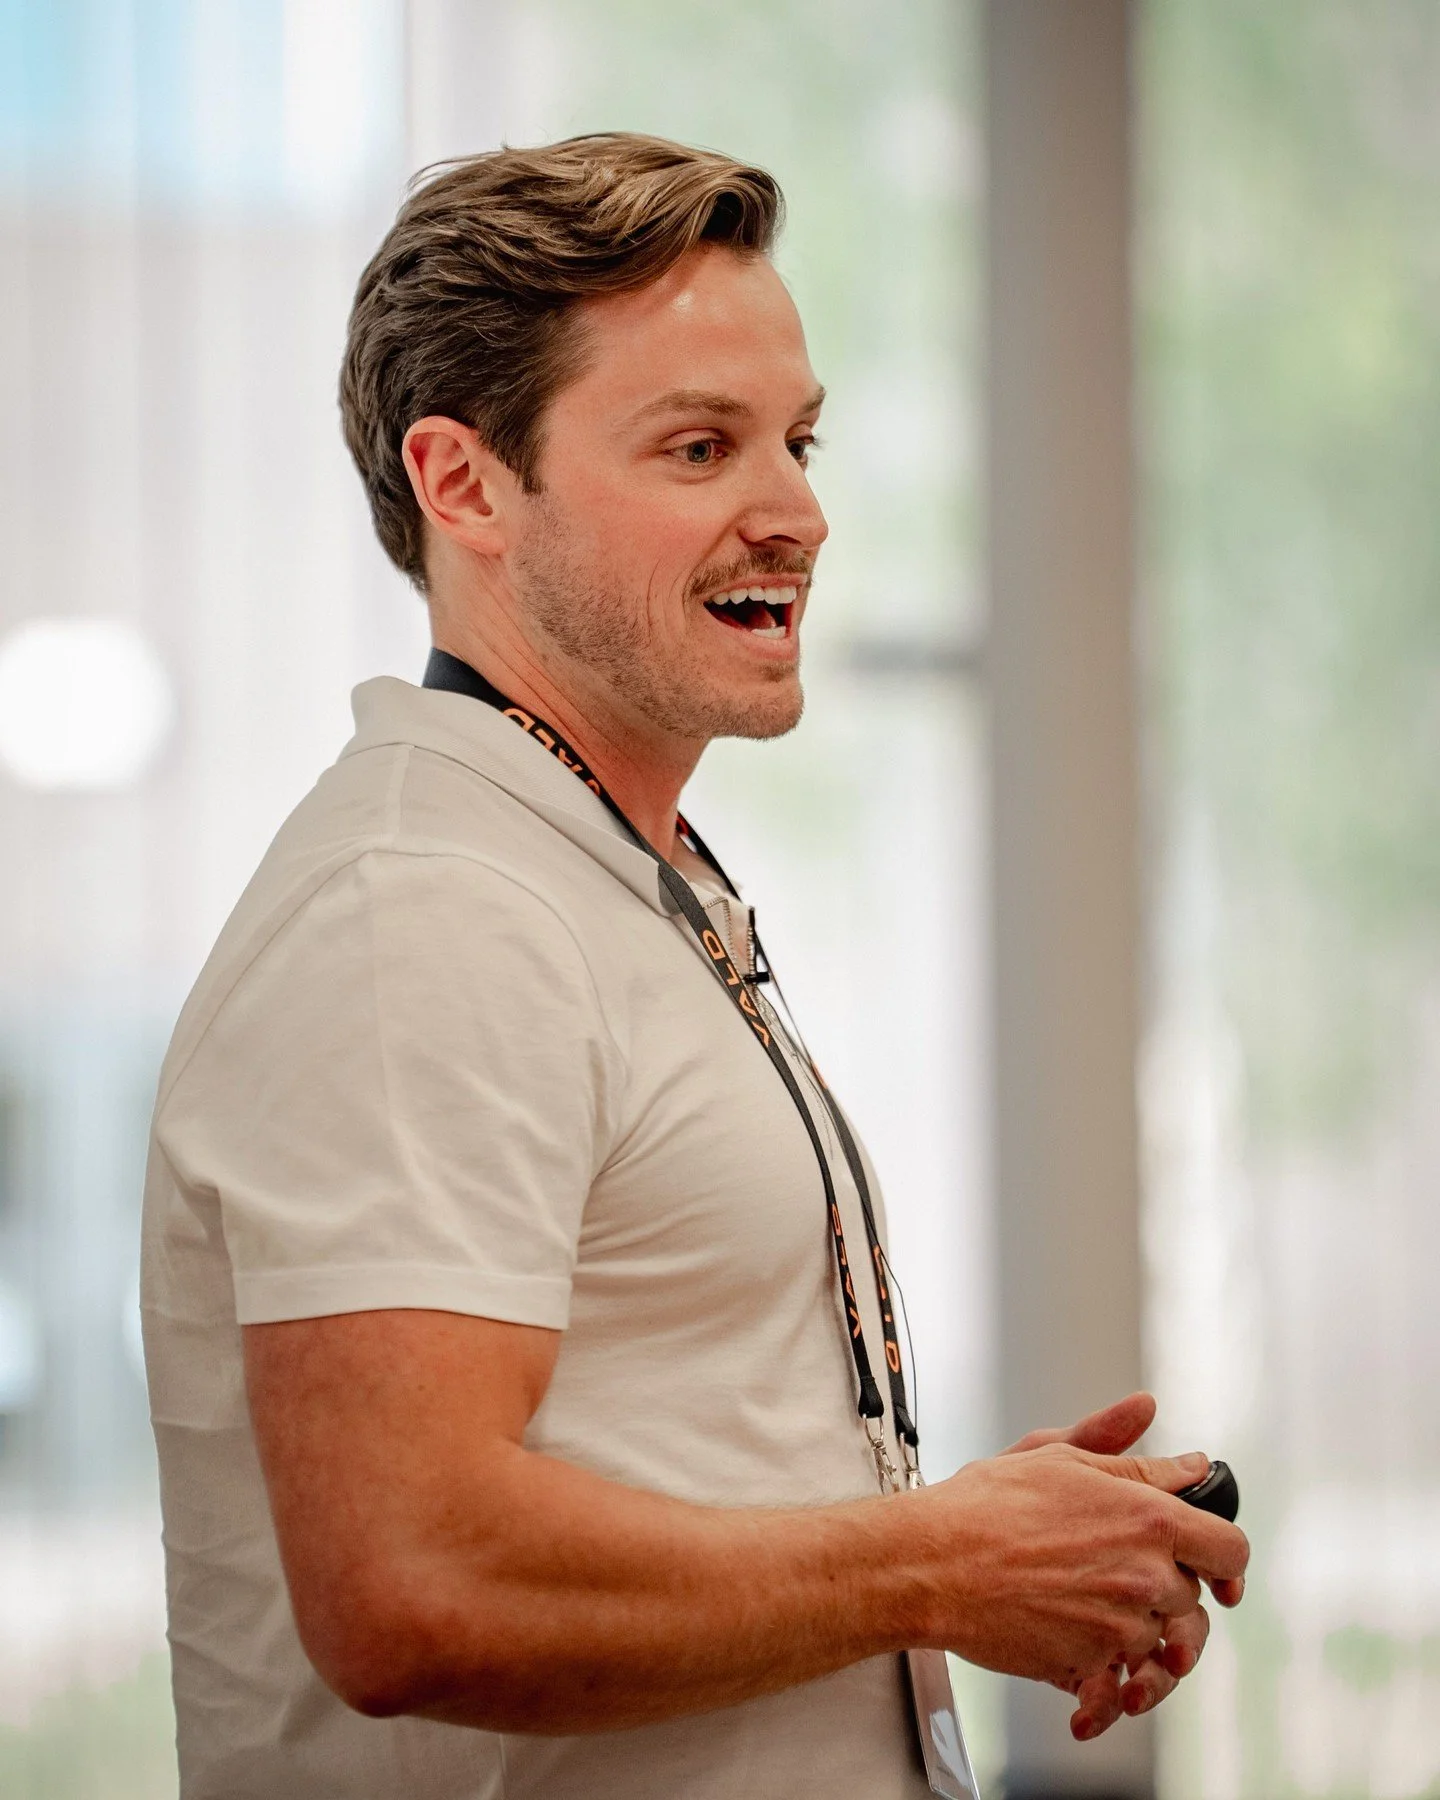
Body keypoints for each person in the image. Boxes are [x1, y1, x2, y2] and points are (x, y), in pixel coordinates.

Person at [140, 133, 1247, 1800]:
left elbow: (631, 1464)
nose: (796, 512)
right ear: (465, 487)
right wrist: (932, 1564)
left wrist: (979, 1543)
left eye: (797, 440)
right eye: (698, 446)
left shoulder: (591, 881)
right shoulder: (420, 916)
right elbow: (412, 1584)